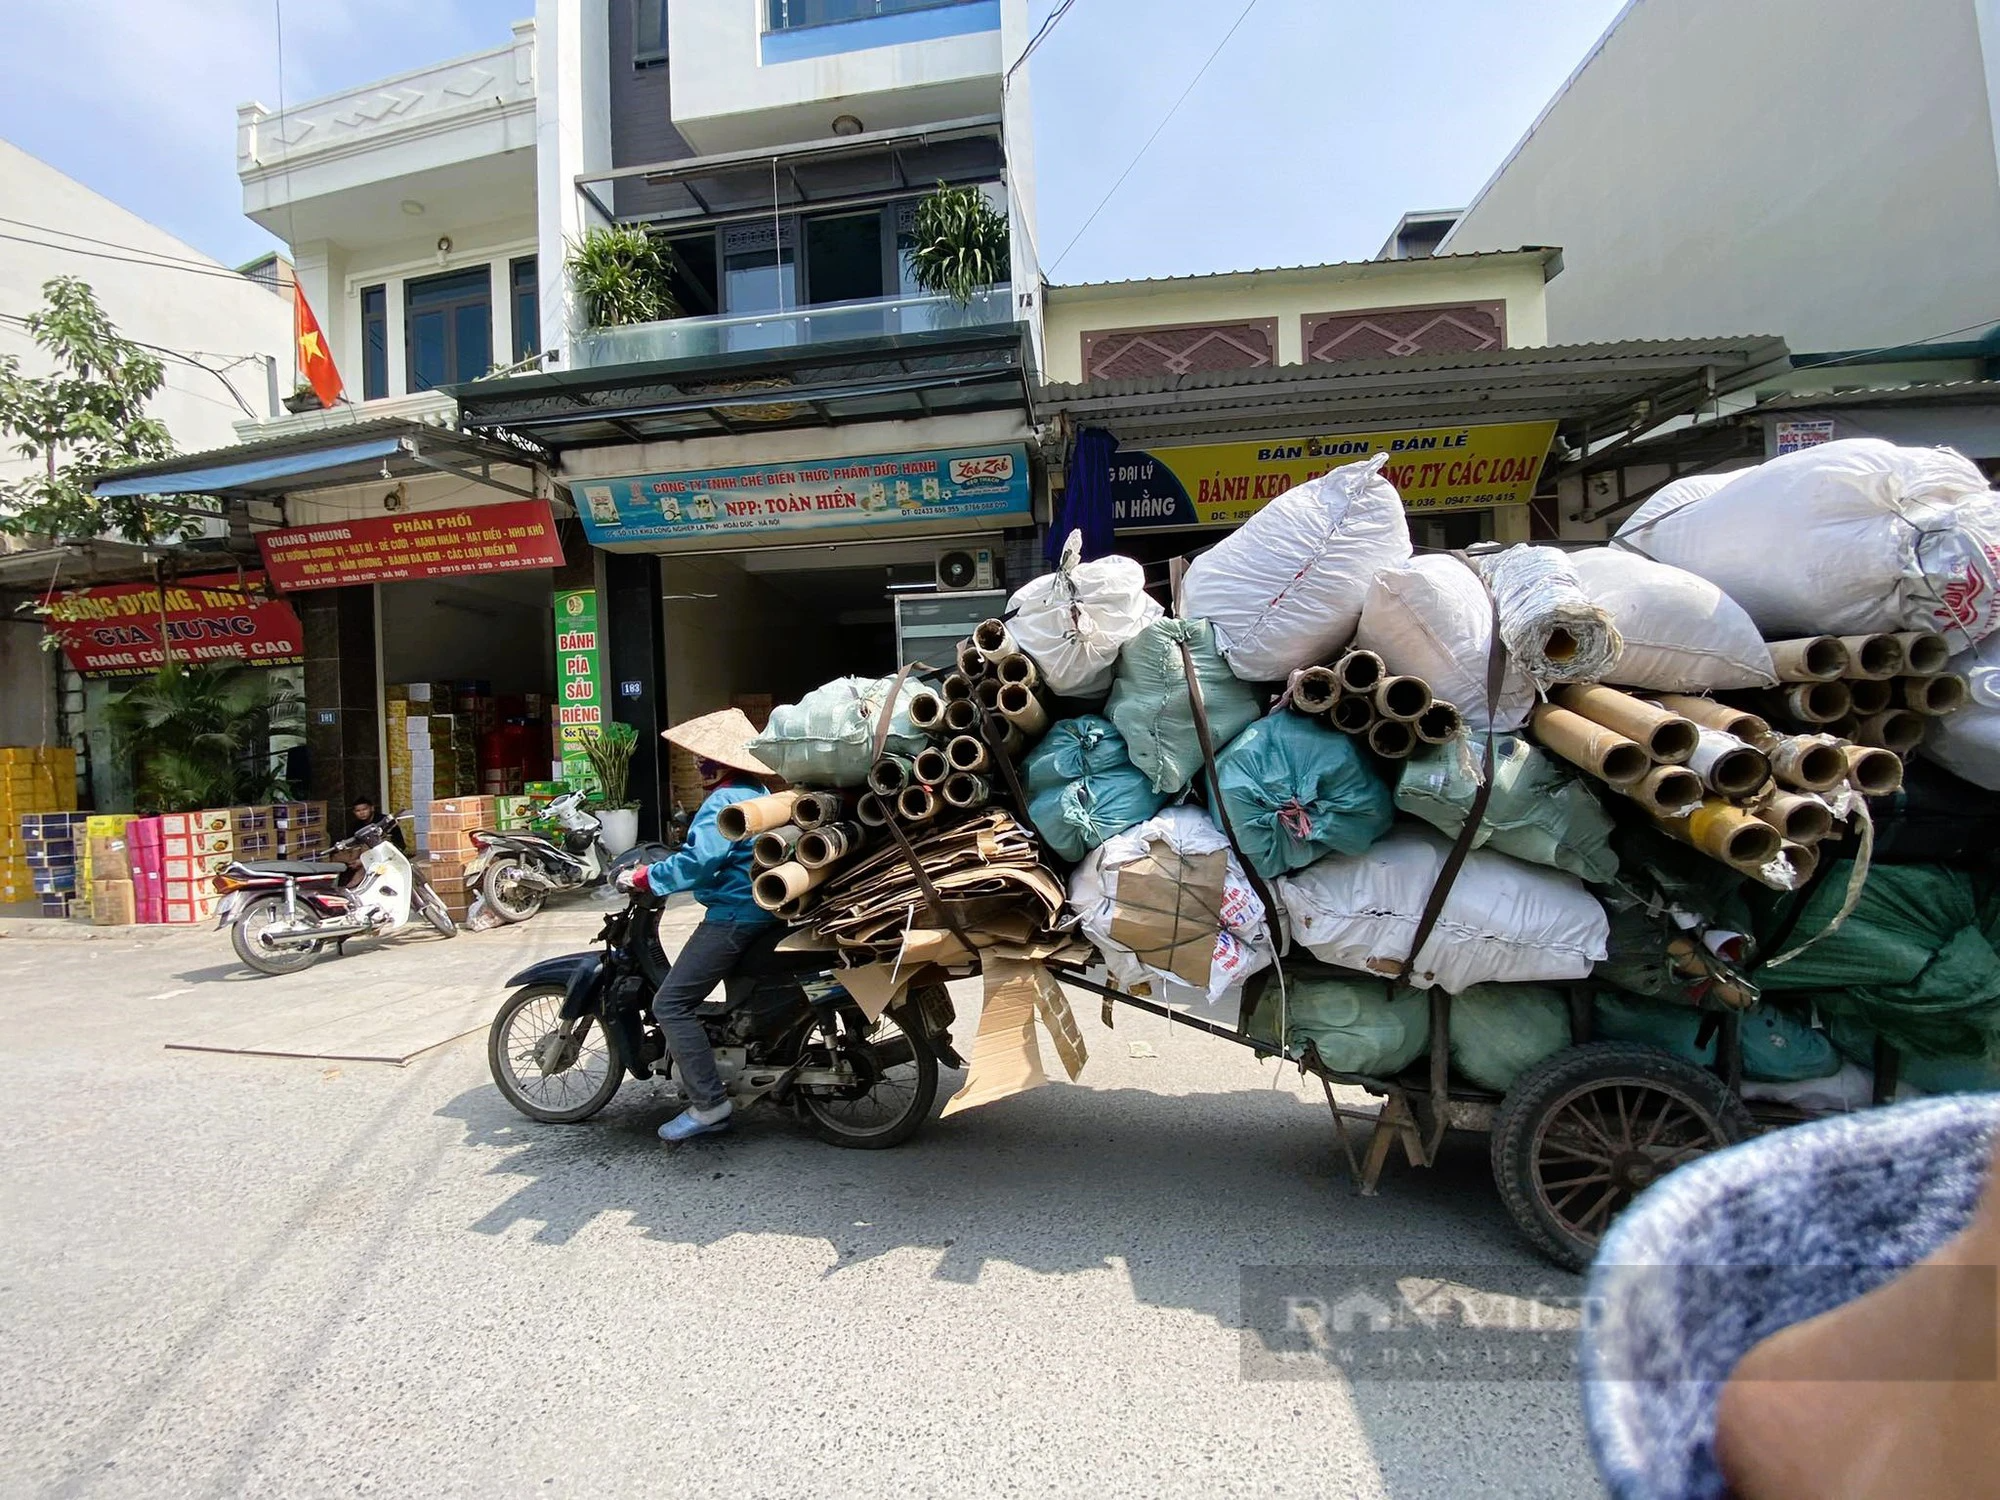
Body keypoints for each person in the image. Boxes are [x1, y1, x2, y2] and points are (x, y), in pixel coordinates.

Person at [612, 708, 777, 1143]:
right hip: (763, 909)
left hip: (734, 916)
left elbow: (701, 862)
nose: (697, 765)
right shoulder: (756, 789)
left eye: (702, 758)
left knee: (671, 1005)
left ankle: (709, 1105)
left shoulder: (723, 801)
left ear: (720, 762)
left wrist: (647, 876)